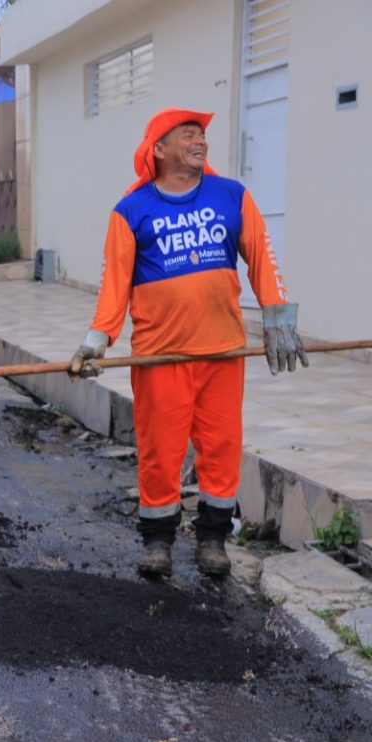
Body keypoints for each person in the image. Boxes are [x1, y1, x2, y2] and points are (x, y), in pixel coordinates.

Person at [69, 107, 308, 580]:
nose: (200, 140)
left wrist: (278, 315)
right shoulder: (131, 210)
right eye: (188, 134)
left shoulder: (232, 196)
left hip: (222, 351)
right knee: (161, 450)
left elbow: (262, 256)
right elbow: (113, 284)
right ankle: (158, 540)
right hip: (162, 357)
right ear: (158, 149)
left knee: (221, 446)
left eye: (202, 134)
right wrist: (97, 341)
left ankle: (213, 538)